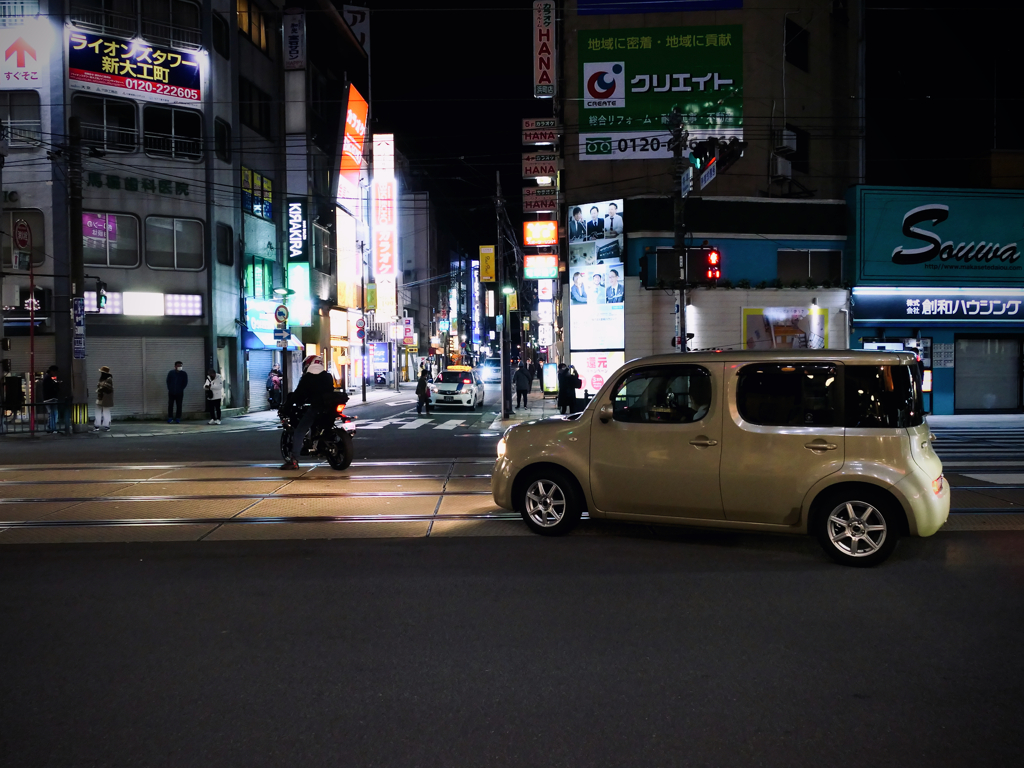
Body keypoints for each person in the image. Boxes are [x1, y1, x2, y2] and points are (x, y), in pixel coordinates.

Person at [282, 355, 335, 469]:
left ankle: (294, 460)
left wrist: (286, 407)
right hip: (330, 408)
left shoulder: (307, 378)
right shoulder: (327, 376)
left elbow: (297, 395)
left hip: (316, 408)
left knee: (300, 431)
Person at [42, 365, 62, 434]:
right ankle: (52, 428)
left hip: (48, 398)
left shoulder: (47, 377)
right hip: (50, 398)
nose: (56, 373)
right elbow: (51, 388)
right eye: (55, 372)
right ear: (52, 371)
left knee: (52, 414)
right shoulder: (48, 378)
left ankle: (50, 427)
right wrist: (57, 385)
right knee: (53, 414)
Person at [93, 366, 113, 432]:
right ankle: (97, 425)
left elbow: (107, 388)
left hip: (105, 398)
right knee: (98, 411)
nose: (101, 373)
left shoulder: (108, 379)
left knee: (105, 412)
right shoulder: (103, 379)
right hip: (100, 397)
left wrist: (99, 389)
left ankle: (106, 426)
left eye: (102, 372)